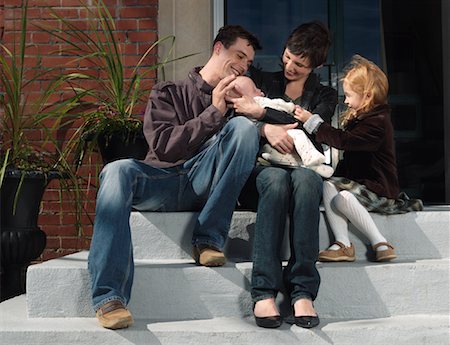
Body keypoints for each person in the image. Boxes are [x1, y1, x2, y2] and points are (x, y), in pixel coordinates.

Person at [88, 25, 262, 330]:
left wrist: (261, 122)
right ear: (218, 48)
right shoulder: (168, 92)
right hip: (163, 181)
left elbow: (255, 140)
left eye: (248, 62)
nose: (243, 65)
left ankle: (208, 239)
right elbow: (164, 147)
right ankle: (109, 297)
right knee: (116, 170)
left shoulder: (240, 107)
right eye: (239, 55)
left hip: (204, 182)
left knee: (245, 129)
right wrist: (213, 112)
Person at [228, 21, 337, 329]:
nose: (289, 66)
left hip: (303, 170)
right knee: (276, 181)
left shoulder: (325, 96)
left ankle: (302, 291)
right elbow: (238, 110)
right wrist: (266, 129)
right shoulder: (261, 79)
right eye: (288, 57)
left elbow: (312, 129)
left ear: (316, 65)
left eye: (299, 64)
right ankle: (263, 291)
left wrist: (262, 115)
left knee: (306, 181)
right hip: (264, 170)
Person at [295, 54, 422, 263]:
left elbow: (345, 141)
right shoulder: (365, 119)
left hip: (380, 192)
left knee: (343, 197)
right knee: (329, 186)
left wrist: (314, 123)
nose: (346, 101)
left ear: (368, 96)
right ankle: (343, 243)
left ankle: (380, 242)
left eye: (349, 96)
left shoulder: (378, 123)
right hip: (363, 188)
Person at [230, 75, 334, 178]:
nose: (261, 91)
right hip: (278, 147)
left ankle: (308, 164)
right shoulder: (260, 101)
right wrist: (291, 107)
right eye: (254, 89)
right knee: (298, 134)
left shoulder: (240, 115)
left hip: (270, 154)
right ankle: (311, 158)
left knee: (303, 177)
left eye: (299, 64)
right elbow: (279, 105)